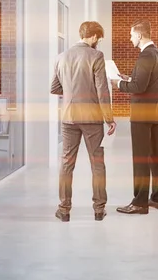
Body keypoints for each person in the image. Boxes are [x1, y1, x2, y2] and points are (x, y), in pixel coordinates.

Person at [50, 21, 116, 222]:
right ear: (94, 37)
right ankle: (98, 209)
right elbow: (102, 91)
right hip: (92, 119)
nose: (99, 43)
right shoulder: (96, 56)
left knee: (66, 164)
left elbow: (54, 88)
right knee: (97, 163)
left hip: (68, 118)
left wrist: (72, 93)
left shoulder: (61, 57)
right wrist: (109, 119)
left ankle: (64, 209)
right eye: (99, 39)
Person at [112, 19, 158, 214]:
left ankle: (140, 203)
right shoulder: (157, 54)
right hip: (153, 112)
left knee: (141, 158)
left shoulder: (145, 56)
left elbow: (139, 87)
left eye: (132, 35)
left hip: (142, 114)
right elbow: (144, 82)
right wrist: (127, 78)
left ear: (140, 35)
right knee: (154, 156)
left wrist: (117, 84)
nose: (130, 38)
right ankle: (157, 199)